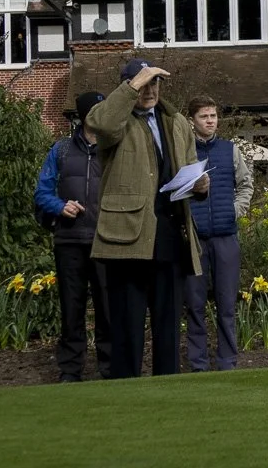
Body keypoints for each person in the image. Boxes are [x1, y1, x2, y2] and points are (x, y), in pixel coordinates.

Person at [86, 59, 207, 378]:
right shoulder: (116, 121)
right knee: (127, 326)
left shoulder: (177, 121)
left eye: (155, 83)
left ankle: (167, 391)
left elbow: (191, 164)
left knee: (168, 326)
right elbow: (100, 122)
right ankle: (126, 391)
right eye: (144, 83)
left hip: (170, 231)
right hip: (126, 237)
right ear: (130, 85)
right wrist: (132, 85)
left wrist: (200, 185)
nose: (150, 90)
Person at [33, 91, 113, 381]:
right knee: (71, 308)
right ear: (85, 115)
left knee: (108, 308)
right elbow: (41, 193)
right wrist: (59, 205)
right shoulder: (62, 150)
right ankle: (70, 370)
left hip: (105, 240)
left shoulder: (113, 148)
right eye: (98, 110)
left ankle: (109, 367)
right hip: (69, 241)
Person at [183, 95, 253, 372]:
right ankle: (198, 364)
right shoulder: (184, 152)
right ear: (192, 121)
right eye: (204, 116)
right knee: (195, 305)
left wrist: (234, 211)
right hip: (194, 240)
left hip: (226, 237)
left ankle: (227, 362)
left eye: (213, 116)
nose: (210, 121)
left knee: (226, 305)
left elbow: (246, 184)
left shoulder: (230, 150)